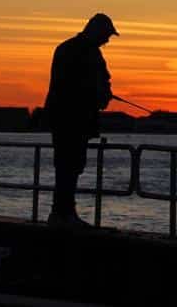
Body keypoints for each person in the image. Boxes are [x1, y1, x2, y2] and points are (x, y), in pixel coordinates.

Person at [44, 13, 118, 227]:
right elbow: (86, 84)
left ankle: (63, 212)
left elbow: (99, 81)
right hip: (73, 118)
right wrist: (101, 94)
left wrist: (102, 92)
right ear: (96, 31)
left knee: (69, 165)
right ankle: (63, 214)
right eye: (106, 35)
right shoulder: (85, 52)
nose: (107, 40)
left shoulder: (68, 48)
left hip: (65, 118)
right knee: (70, 164)